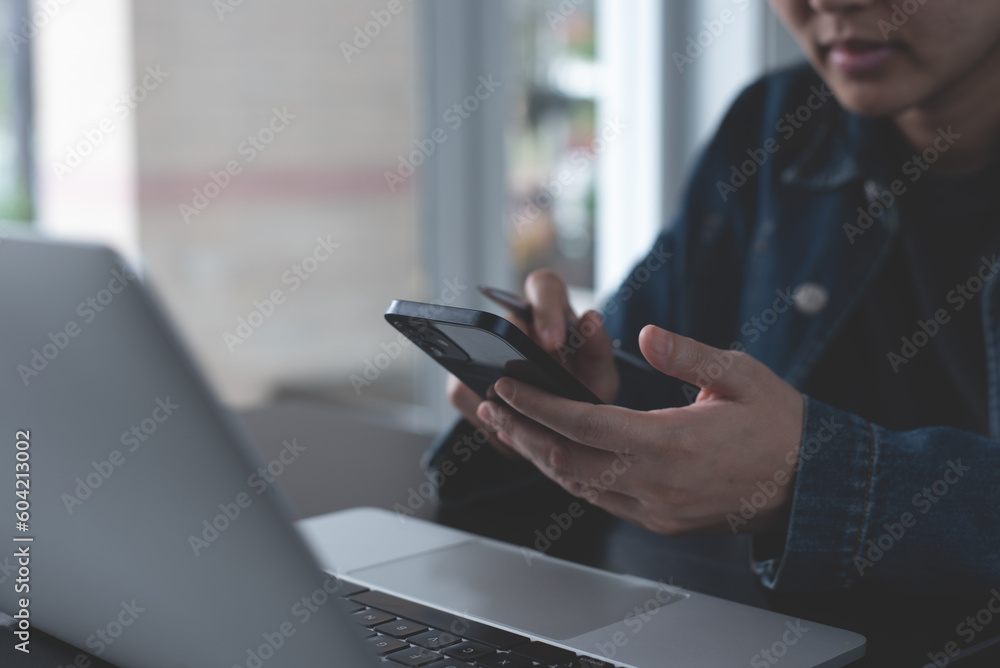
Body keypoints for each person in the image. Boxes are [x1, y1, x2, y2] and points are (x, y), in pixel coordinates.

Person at [438, 0, 1000, 595]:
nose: (830, 4)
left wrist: (806, 477)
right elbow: (643, 366)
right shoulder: (778, 125)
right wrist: (565, 404)